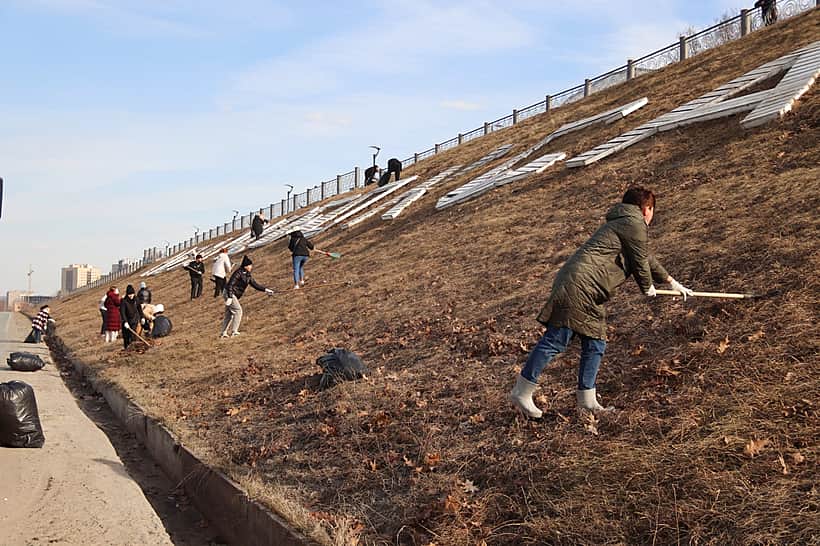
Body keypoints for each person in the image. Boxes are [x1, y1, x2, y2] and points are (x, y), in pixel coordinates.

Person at [509, 187, 694, 419]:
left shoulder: (626, 224)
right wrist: (646, 286)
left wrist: (672, 282)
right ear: (647, 209)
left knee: (596, 342)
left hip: (588, 288)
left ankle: (587, 400)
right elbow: (639, 262)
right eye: (652, 210)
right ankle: (522, 391)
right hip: (580, 285)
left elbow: (645, 258)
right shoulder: (634, 223)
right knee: (558, 338)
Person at [220, 255, 274, 338]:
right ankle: (234, 331)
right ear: (246, 266)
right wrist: (230, 297)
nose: (251, 267)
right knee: (238, 310)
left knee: (229, 314)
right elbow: (231, 284)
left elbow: (255, 284)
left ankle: (223, 333)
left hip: (232, 294)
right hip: (229, 292)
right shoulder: (238, 272)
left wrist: (266, 290)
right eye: (250, 265)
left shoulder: (248, 275)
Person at [119, 284, 145, 349]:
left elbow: (139, 308)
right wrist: (125, 322)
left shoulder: (136, 299)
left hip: (134, 320)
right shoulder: (124, 301)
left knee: (133, 335)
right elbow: (122, 312)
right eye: (129, 294)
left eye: (132, 294)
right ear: (127, 294)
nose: (131, 296)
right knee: (126, 337)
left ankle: (133, 348)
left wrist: (142, 317)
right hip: (127, 322)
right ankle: (126, 348)